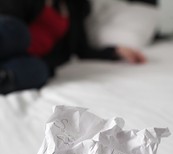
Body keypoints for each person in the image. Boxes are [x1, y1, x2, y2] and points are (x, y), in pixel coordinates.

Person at [0, 0, 146, 95]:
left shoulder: (75, 7)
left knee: (40, 71)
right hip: (9, 41)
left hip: (28, 59)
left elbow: (82, 50)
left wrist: (116, 51)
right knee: (18, 33)